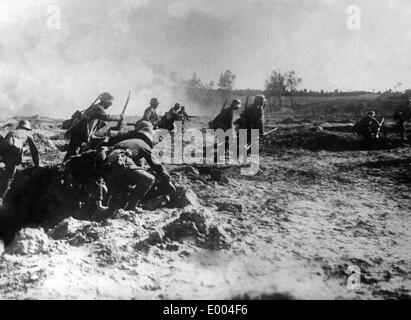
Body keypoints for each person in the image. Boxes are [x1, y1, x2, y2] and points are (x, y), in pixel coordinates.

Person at [64, 92, 123, 162]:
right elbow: (107, 117)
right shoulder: (98, 108)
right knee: (74, 151)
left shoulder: (96, 107)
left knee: (75, 150)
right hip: (80, 133)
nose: (109, 106)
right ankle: (65, 168)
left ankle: (66, 166)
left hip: (79, 132)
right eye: (109, 103)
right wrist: (119, 117)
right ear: (104, 102)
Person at [0, 120, 39, 199]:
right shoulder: (28, 134)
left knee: (6, 169)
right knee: (9, 176)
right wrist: (37, 165)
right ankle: (1, 197)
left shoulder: (11, 132)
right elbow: (34, 151)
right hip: (14, 153)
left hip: (4, 152)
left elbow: (3, 145)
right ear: (28, 128)